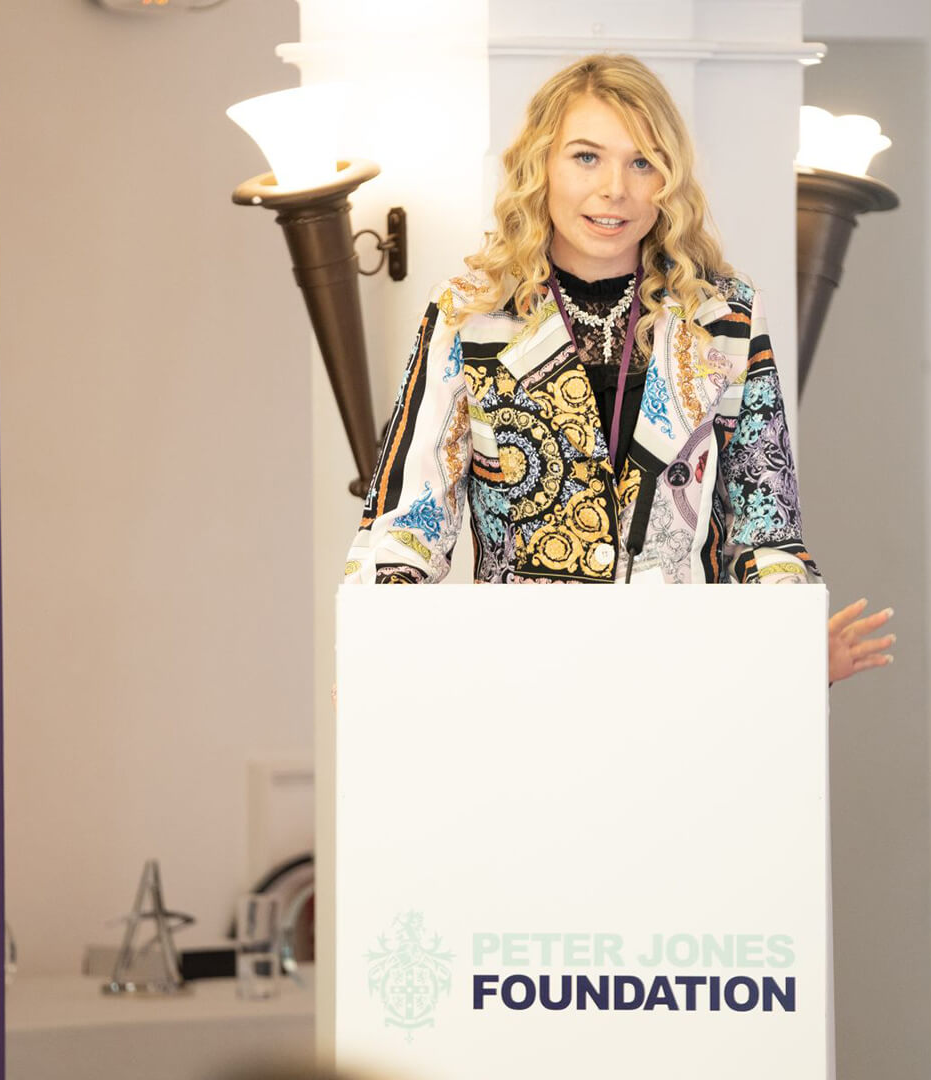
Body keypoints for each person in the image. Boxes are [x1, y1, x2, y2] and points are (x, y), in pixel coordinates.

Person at [341, 53, 894, 684]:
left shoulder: (723, 318)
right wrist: (371, 659)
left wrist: (793, 643)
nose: (615, 189)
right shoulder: (468, 316)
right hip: (521, 684)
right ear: (539, 164)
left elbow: (763, 523)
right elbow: (406, 528)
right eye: (586, 157)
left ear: (668, 177)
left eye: (642, 161)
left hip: (684, 685)